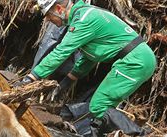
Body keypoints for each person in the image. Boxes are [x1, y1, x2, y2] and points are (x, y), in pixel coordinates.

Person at [18, 0, 156, 136]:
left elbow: (60, 52)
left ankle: (143, 135)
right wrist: (66, 83)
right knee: (103, 107)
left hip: (134, 61)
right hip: (140, 58)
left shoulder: (84, 20)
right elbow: (89, 57)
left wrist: (31, 78)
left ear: (59, 9)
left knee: (99, 106)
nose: (48, 20)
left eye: (48, 15)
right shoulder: (85, 14)